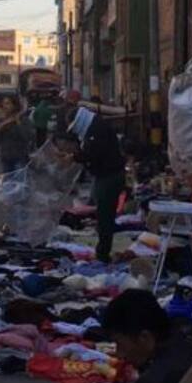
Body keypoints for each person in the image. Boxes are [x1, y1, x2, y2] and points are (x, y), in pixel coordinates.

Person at [66, 103, 126, 264]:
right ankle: (102, 250)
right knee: (103, 214)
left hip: (109, 176)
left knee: (105, 216)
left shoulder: (96, 129)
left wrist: (74, 157)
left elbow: (93, 153)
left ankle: (103, 254)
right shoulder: (94, 126)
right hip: (107, 175)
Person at [0, 95, 33, 174]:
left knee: (19, 183)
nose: (5, 106)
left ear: (15, 105)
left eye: (8, 103)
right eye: (3, 104)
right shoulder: (3, 119)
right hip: (6, 157)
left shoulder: (23, 119)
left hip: (20, 157)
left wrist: (17, 122)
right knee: (8, 184)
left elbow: (27, 137)